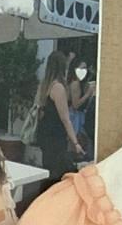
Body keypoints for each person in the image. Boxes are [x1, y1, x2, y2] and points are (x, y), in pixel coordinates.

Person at [33, 48, 86, 194]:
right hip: (55, 135)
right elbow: (65, 118)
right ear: (62, 67)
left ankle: (44, 197)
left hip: (44, 133)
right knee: (58, 173)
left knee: (48, 169)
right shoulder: (58, 88)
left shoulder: (44, 85)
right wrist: (75, 142)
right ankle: (52, 198)